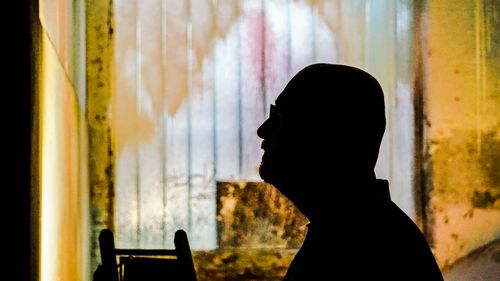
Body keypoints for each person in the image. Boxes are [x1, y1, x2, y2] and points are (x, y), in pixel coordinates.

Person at [257, 63, 444, 280]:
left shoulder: (360, 248)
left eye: (279, 116)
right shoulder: (362, 232)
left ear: (328, 133)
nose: (262, 130)